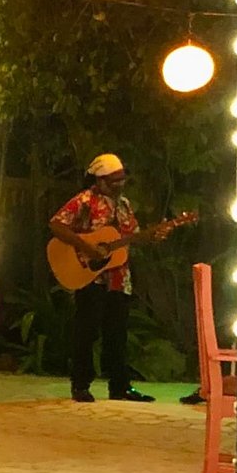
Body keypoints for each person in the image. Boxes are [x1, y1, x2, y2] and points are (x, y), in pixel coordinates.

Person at [50, 153, 152, 404]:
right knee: (86, 332)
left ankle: (120, 387)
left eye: (121, 179)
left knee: (117, 333)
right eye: (113, 180)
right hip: (89, 276)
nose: (120, 184)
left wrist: (152, 235)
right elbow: (57, 225)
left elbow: (132, 235)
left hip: (119, 277)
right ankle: (81, 385)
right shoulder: (85, 201)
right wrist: (85, 246)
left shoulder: (125, 205)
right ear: (100, 180)